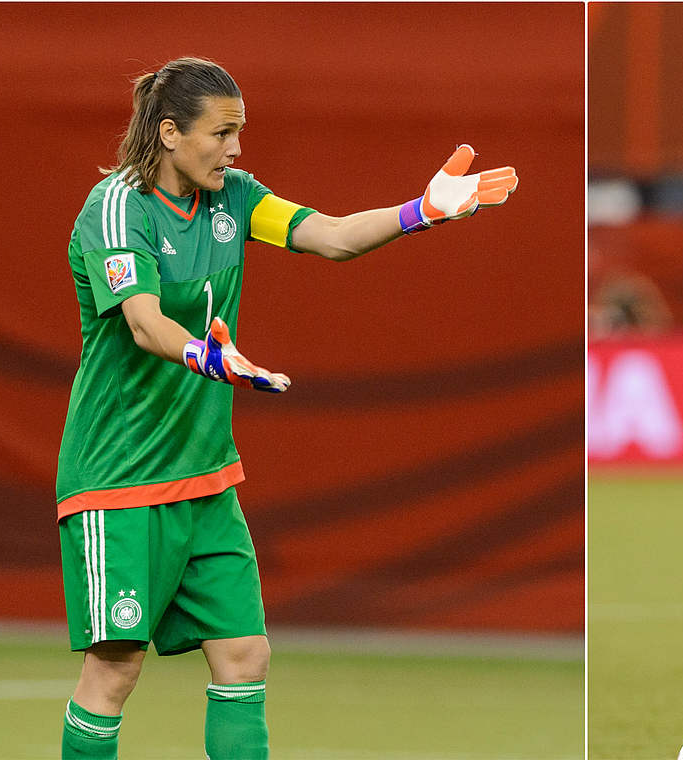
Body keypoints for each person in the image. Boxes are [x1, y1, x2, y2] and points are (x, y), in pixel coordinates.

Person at [56, 57, 517, 759]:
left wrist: (420, 211)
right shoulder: (116, 209)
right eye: (222, 132)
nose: (236, 148)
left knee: (244, 658)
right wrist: (203, 356)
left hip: (207, 477)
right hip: (118, 480)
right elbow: (145, 323)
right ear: (171, 132)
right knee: (112, 672)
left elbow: (331, 237)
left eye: (240, 132)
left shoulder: (232, 199)